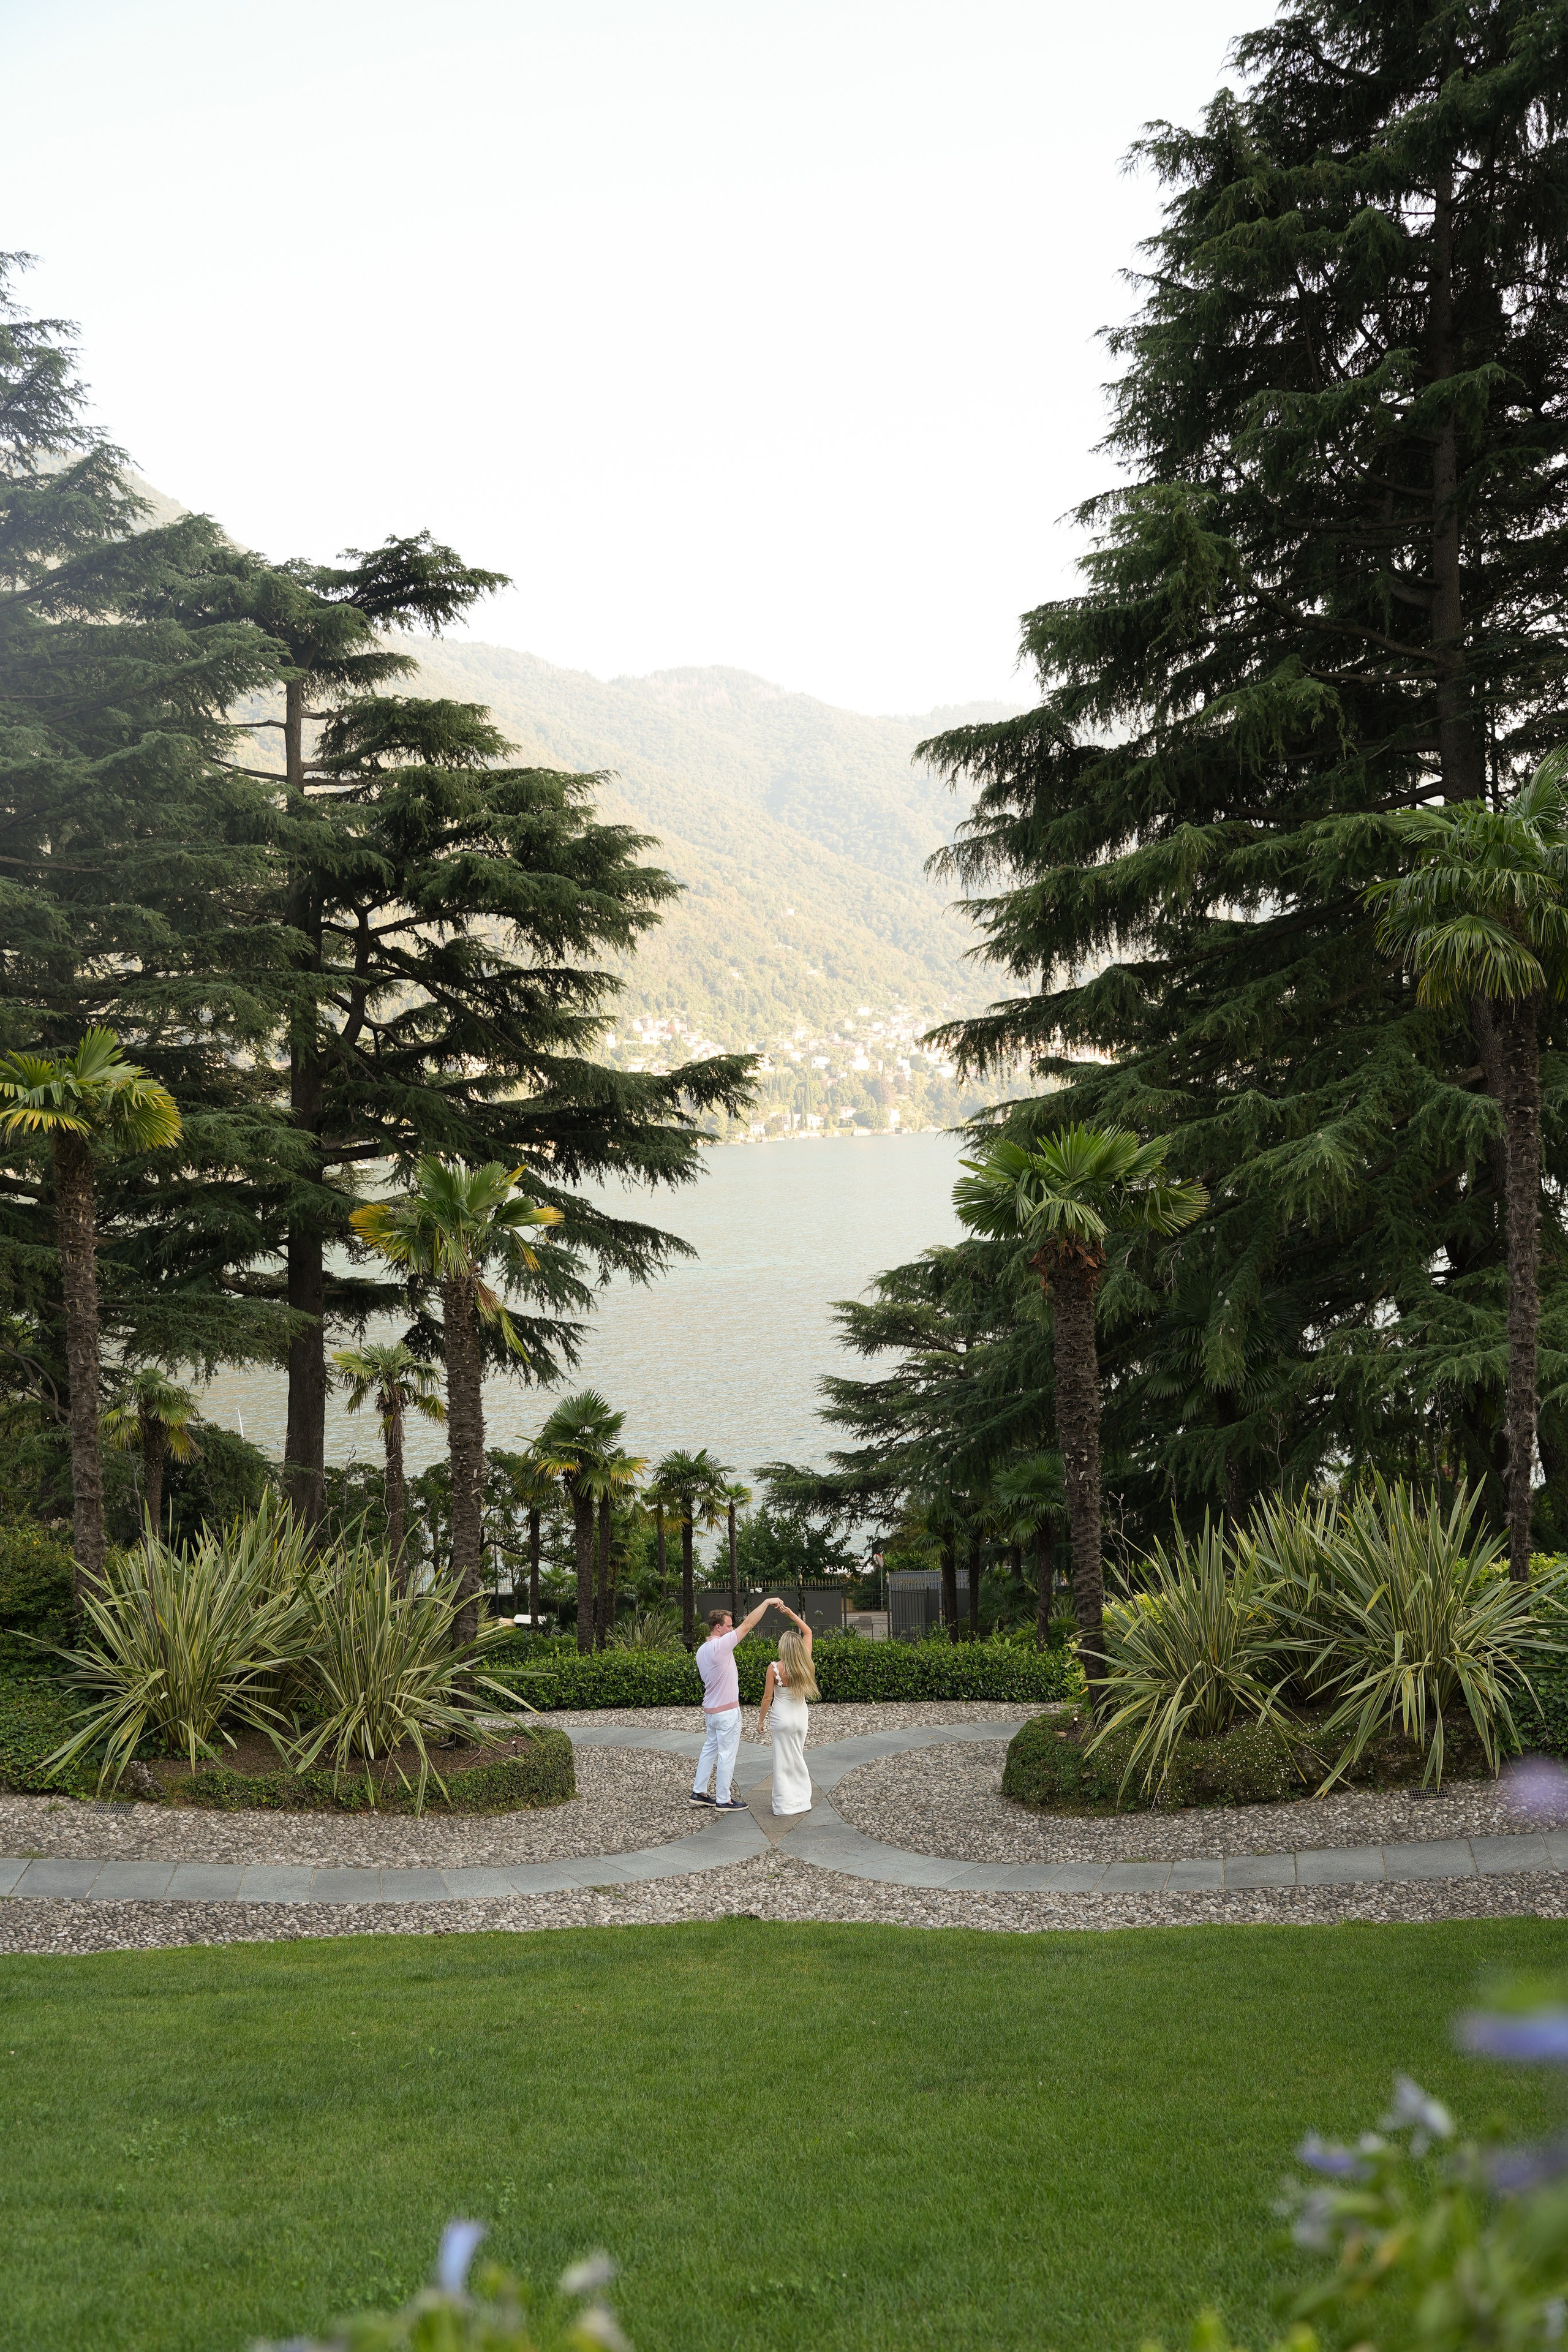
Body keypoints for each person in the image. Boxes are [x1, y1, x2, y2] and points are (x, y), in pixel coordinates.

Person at [690, 1596, 780, 1811]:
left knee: (709, 1750)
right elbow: (749, 1624)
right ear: (718, 1627)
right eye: (729, 1626)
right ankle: (724, 1799)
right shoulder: (722, 1646)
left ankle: (699, 1791)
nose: (733, 1630)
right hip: (727, 1712)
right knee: (727, 1755)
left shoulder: (701, 1650)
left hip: (711, 1711)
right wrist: (767, 1602)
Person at [757, 1606, 817, 1815]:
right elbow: (808, 1632)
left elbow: (767, 1698)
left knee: (782, 1760)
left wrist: (761, 1721)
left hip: (781, 1717)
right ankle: (802, 1802)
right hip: (801, 1716)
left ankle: (784, 1806)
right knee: (797, 1756)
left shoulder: (774, 1668)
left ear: (783, 1647)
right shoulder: (805, 1662)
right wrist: (790, 1614)